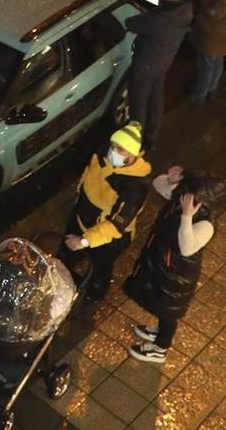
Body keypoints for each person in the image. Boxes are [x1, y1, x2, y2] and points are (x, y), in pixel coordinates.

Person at [125, 167, 224, 364]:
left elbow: (187, 247)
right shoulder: (183, 199)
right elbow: (158, 185)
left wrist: (186, 217)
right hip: (165, 265)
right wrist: (171, 180)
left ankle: (161, 347)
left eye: (188, 192)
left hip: (177, 274)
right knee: (163, 306)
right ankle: (161, 334)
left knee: (168, 310)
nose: (183, 195)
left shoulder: (205, 223)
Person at [61, 121, 153, 310]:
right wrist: (80, 196)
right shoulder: (104, 151)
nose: (113, 151)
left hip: (108, 237)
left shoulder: (134, 186)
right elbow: (89, 171)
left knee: (100, 269)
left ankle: (94, 296)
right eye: (113, 146)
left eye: (120, 149)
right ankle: (60, 278)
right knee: (64, 255)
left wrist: (85, 241)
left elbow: (115, 225)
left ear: (132, 155)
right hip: (81, 218)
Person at [125, 0, 194, 151]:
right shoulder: (186, 10)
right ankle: (151, 138)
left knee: (138, 106)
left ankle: (134, 141)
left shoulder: (159, 19)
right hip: (163, 62)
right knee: (155, 99)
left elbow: (131, 23)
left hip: (144, 65)